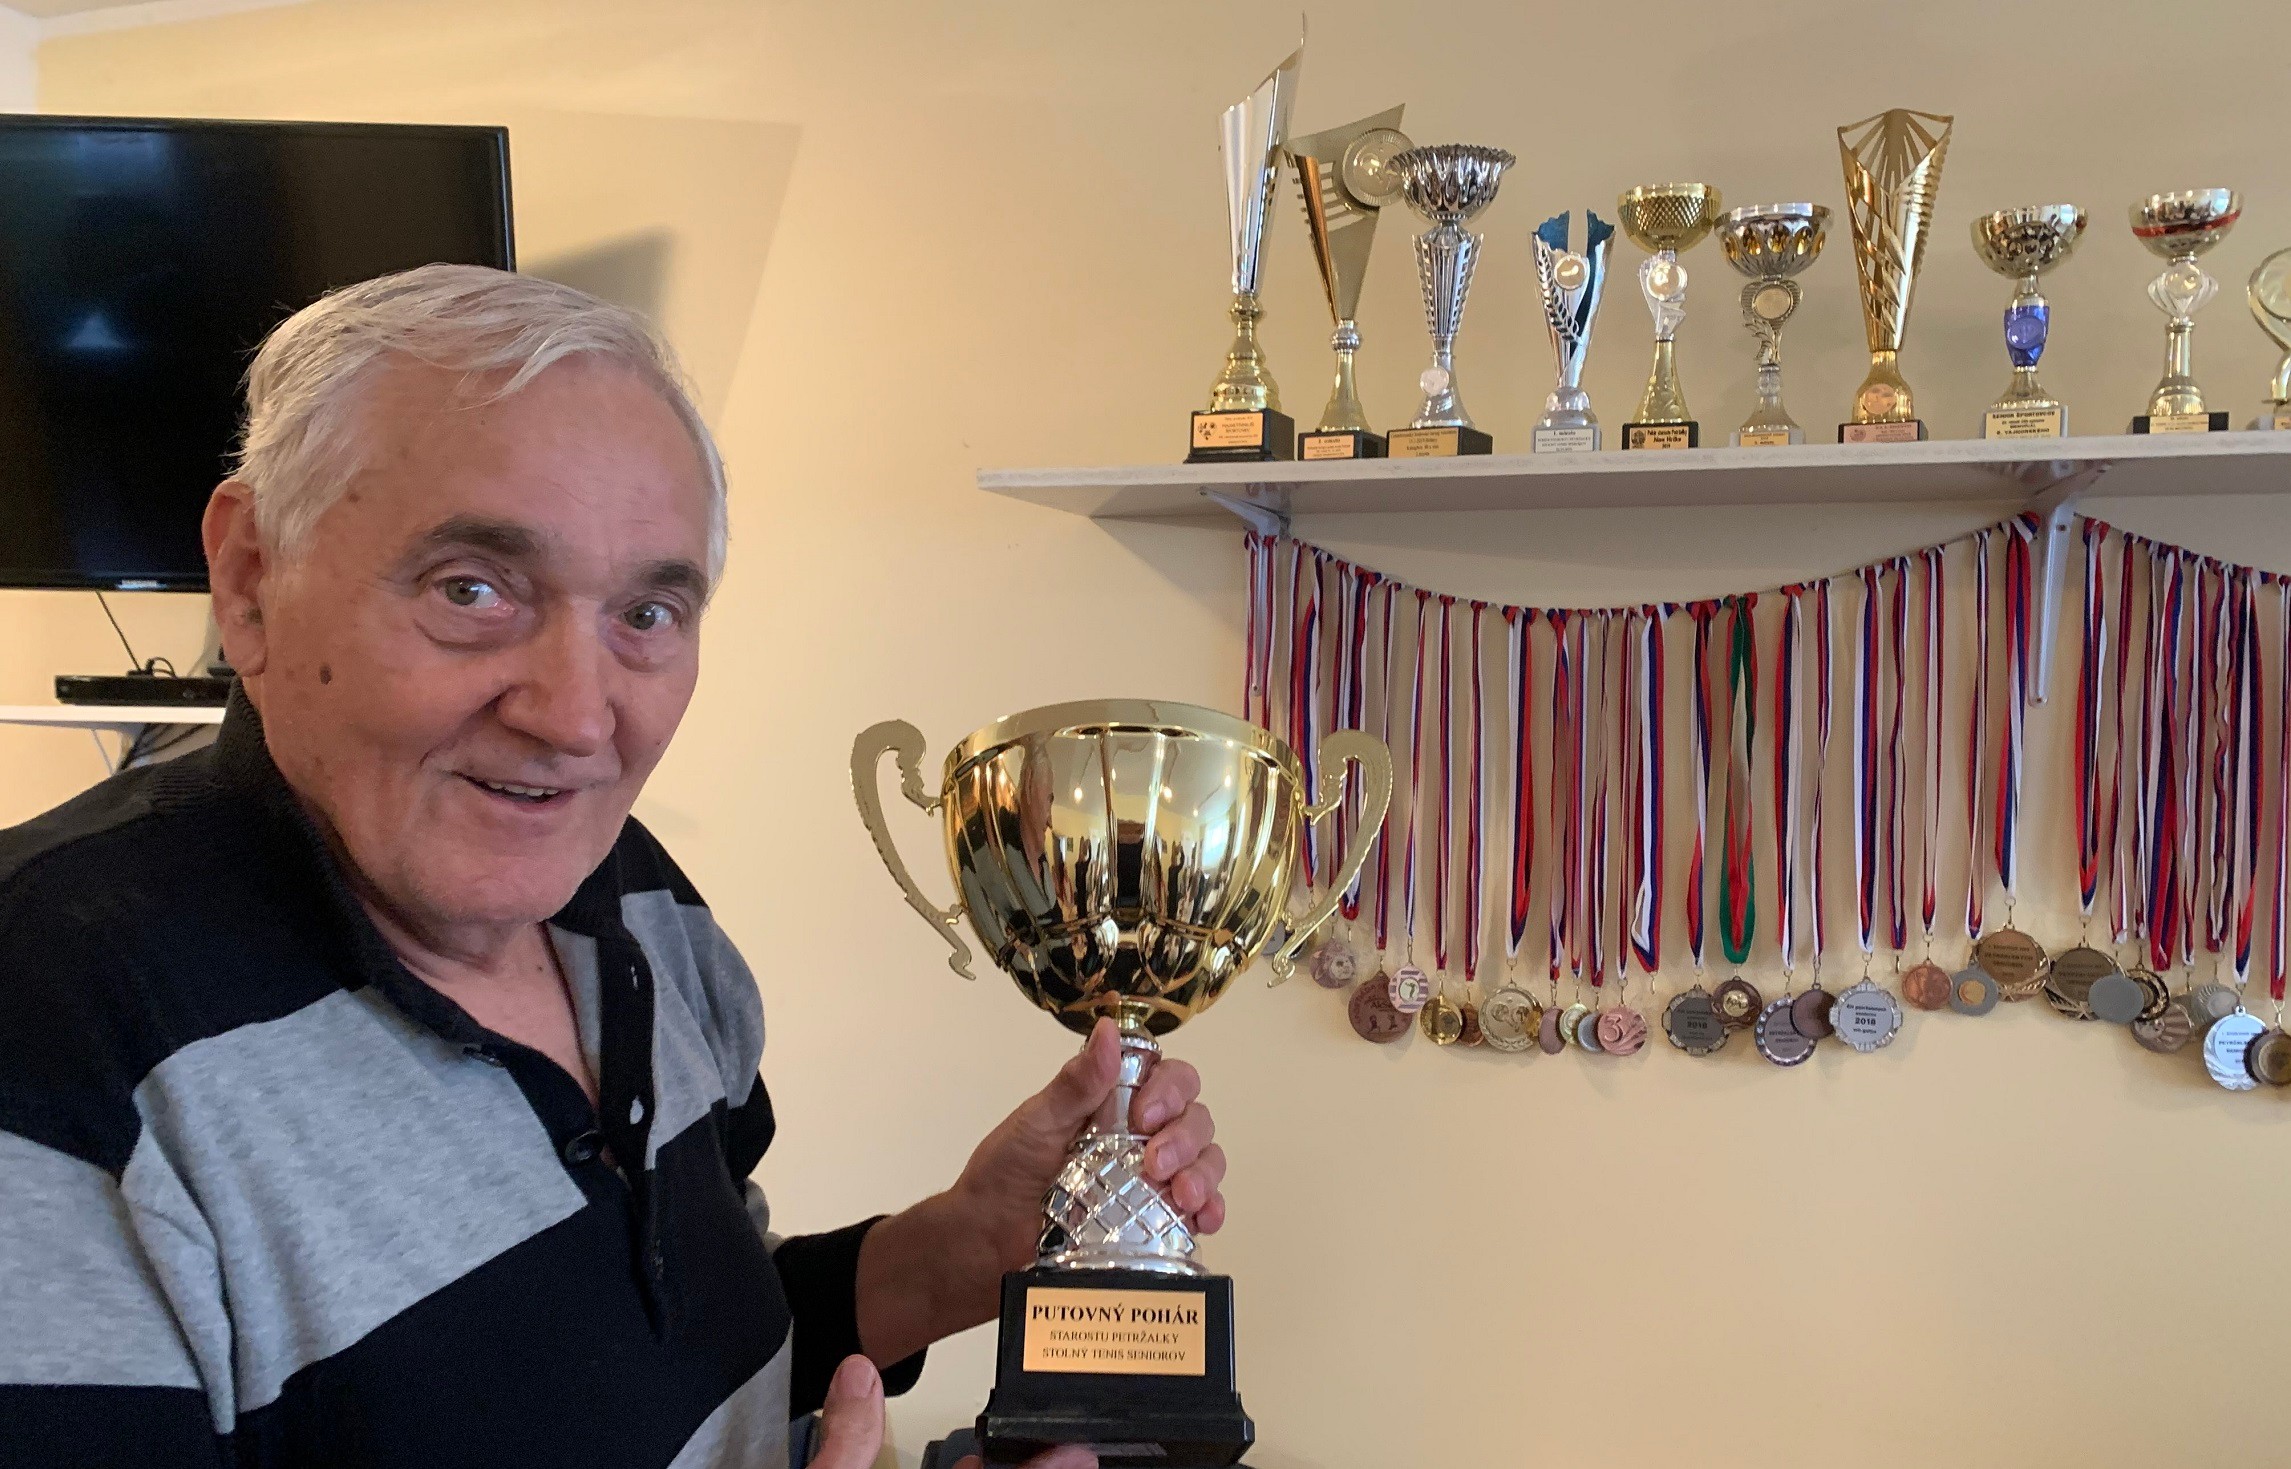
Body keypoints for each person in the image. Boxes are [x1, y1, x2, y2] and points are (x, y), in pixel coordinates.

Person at [0, 265, 1227, 1468]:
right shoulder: (51, 1026)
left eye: (645, 614)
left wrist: (953, 1248)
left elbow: (675, 1342)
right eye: (473, 588)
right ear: (251, 579)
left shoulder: (634, 894)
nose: (578, 719)